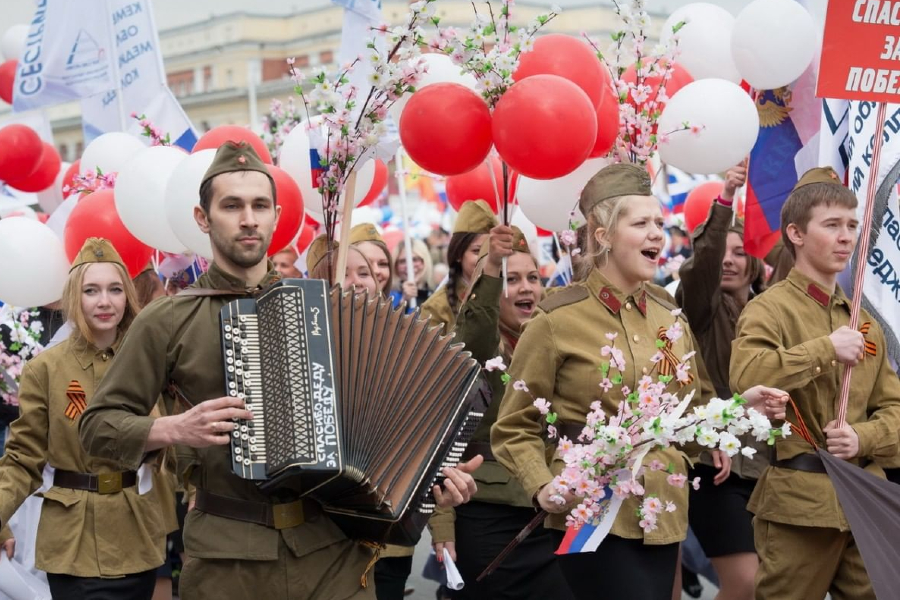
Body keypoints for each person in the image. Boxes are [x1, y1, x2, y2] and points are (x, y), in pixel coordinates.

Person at [79, 142, 479, 600]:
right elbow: (97, 427)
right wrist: (174, 428)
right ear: (202, 218)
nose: (248, 219)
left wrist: (431, 477)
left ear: (276, 215)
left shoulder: (327, 307)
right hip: (229, 562)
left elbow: (379, 415)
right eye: (232, 206)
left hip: (333, 554)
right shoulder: (168, 319)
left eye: (259, 206)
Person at [490, 164, 784, 600]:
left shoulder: (670, 314)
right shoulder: (556, 320)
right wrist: (541, 485)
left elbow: (695, 407)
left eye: (659, 224)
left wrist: (740, 409)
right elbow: (514, 425)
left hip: (661, 511)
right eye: (641, 223)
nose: (656, 235)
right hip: (589, 513)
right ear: (603, 235)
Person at [730, 167, 900, 600]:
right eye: (832, 225)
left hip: (866, 500)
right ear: (796, 233)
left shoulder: (864, 322)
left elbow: (895, 410)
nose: (846, 237)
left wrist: (863, 437)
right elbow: (747, 377)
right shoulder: (769, 310)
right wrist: (826, 349)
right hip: (800, 505)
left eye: (851, 226)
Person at [0, 238, 167, 599]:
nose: (105, 301)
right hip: (72, 542)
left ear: (127, 296)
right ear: (75, 297)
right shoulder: (45, 369)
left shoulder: (151, 361)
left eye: (115, 289)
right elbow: (22, 459)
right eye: (91, 290)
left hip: (135, 534)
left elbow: (179, 437)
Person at [430, 224, 573, 600]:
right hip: (488, 512)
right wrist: (492, 266)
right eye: (512, 279)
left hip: (549, 506)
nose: (526, 288)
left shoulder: (555, 342)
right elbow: (475, 332)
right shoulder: (483, 349)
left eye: (533, 278)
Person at [675, 163, 768, 600]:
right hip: (716, 468)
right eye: (722, 252)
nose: (729, 260)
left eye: (740, 250)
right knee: (746, 582)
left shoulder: (772, 311)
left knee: (771, 585)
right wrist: (726, 201)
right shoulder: (702, 309)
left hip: (768, 467)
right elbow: (701, 271)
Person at [420, 200, 497, 334]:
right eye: (477, 251)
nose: (486, 258)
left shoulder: (508, 295)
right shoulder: (435, 309)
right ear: (458, 254)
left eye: (492, 250)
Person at [392, 238, 434, 308]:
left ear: (425, 262)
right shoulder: (389, 297)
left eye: (415, 259)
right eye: (402, 261)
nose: (409, 266)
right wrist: (403, 303)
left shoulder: (435, 294)